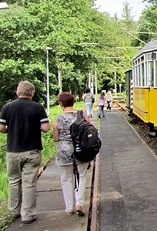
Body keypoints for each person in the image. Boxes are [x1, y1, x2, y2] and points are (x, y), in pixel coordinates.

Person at [0, 81, 51, 224]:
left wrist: (9, 129)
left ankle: (13, 211)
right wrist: (36, 127)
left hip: (13, 150)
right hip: (32, 150)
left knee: (13, 181)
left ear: (18, 92)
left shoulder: (7, 107)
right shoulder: (37, 107)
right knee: (29, 183)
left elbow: (1, 128)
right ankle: (28, 214)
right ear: (32, 93)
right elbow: (46, 127)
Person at [53, 92, 90, 217]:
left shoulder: (58, 118)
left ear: (61, 104)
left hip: (64, 151)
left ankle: (69, 208)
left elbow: (56, 138)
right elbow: (90, 131)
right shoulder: (81, 114)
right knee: (81, 176)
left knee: (66, 179)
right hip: (81, 151)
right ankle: (79, 203)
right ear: (73, 102)